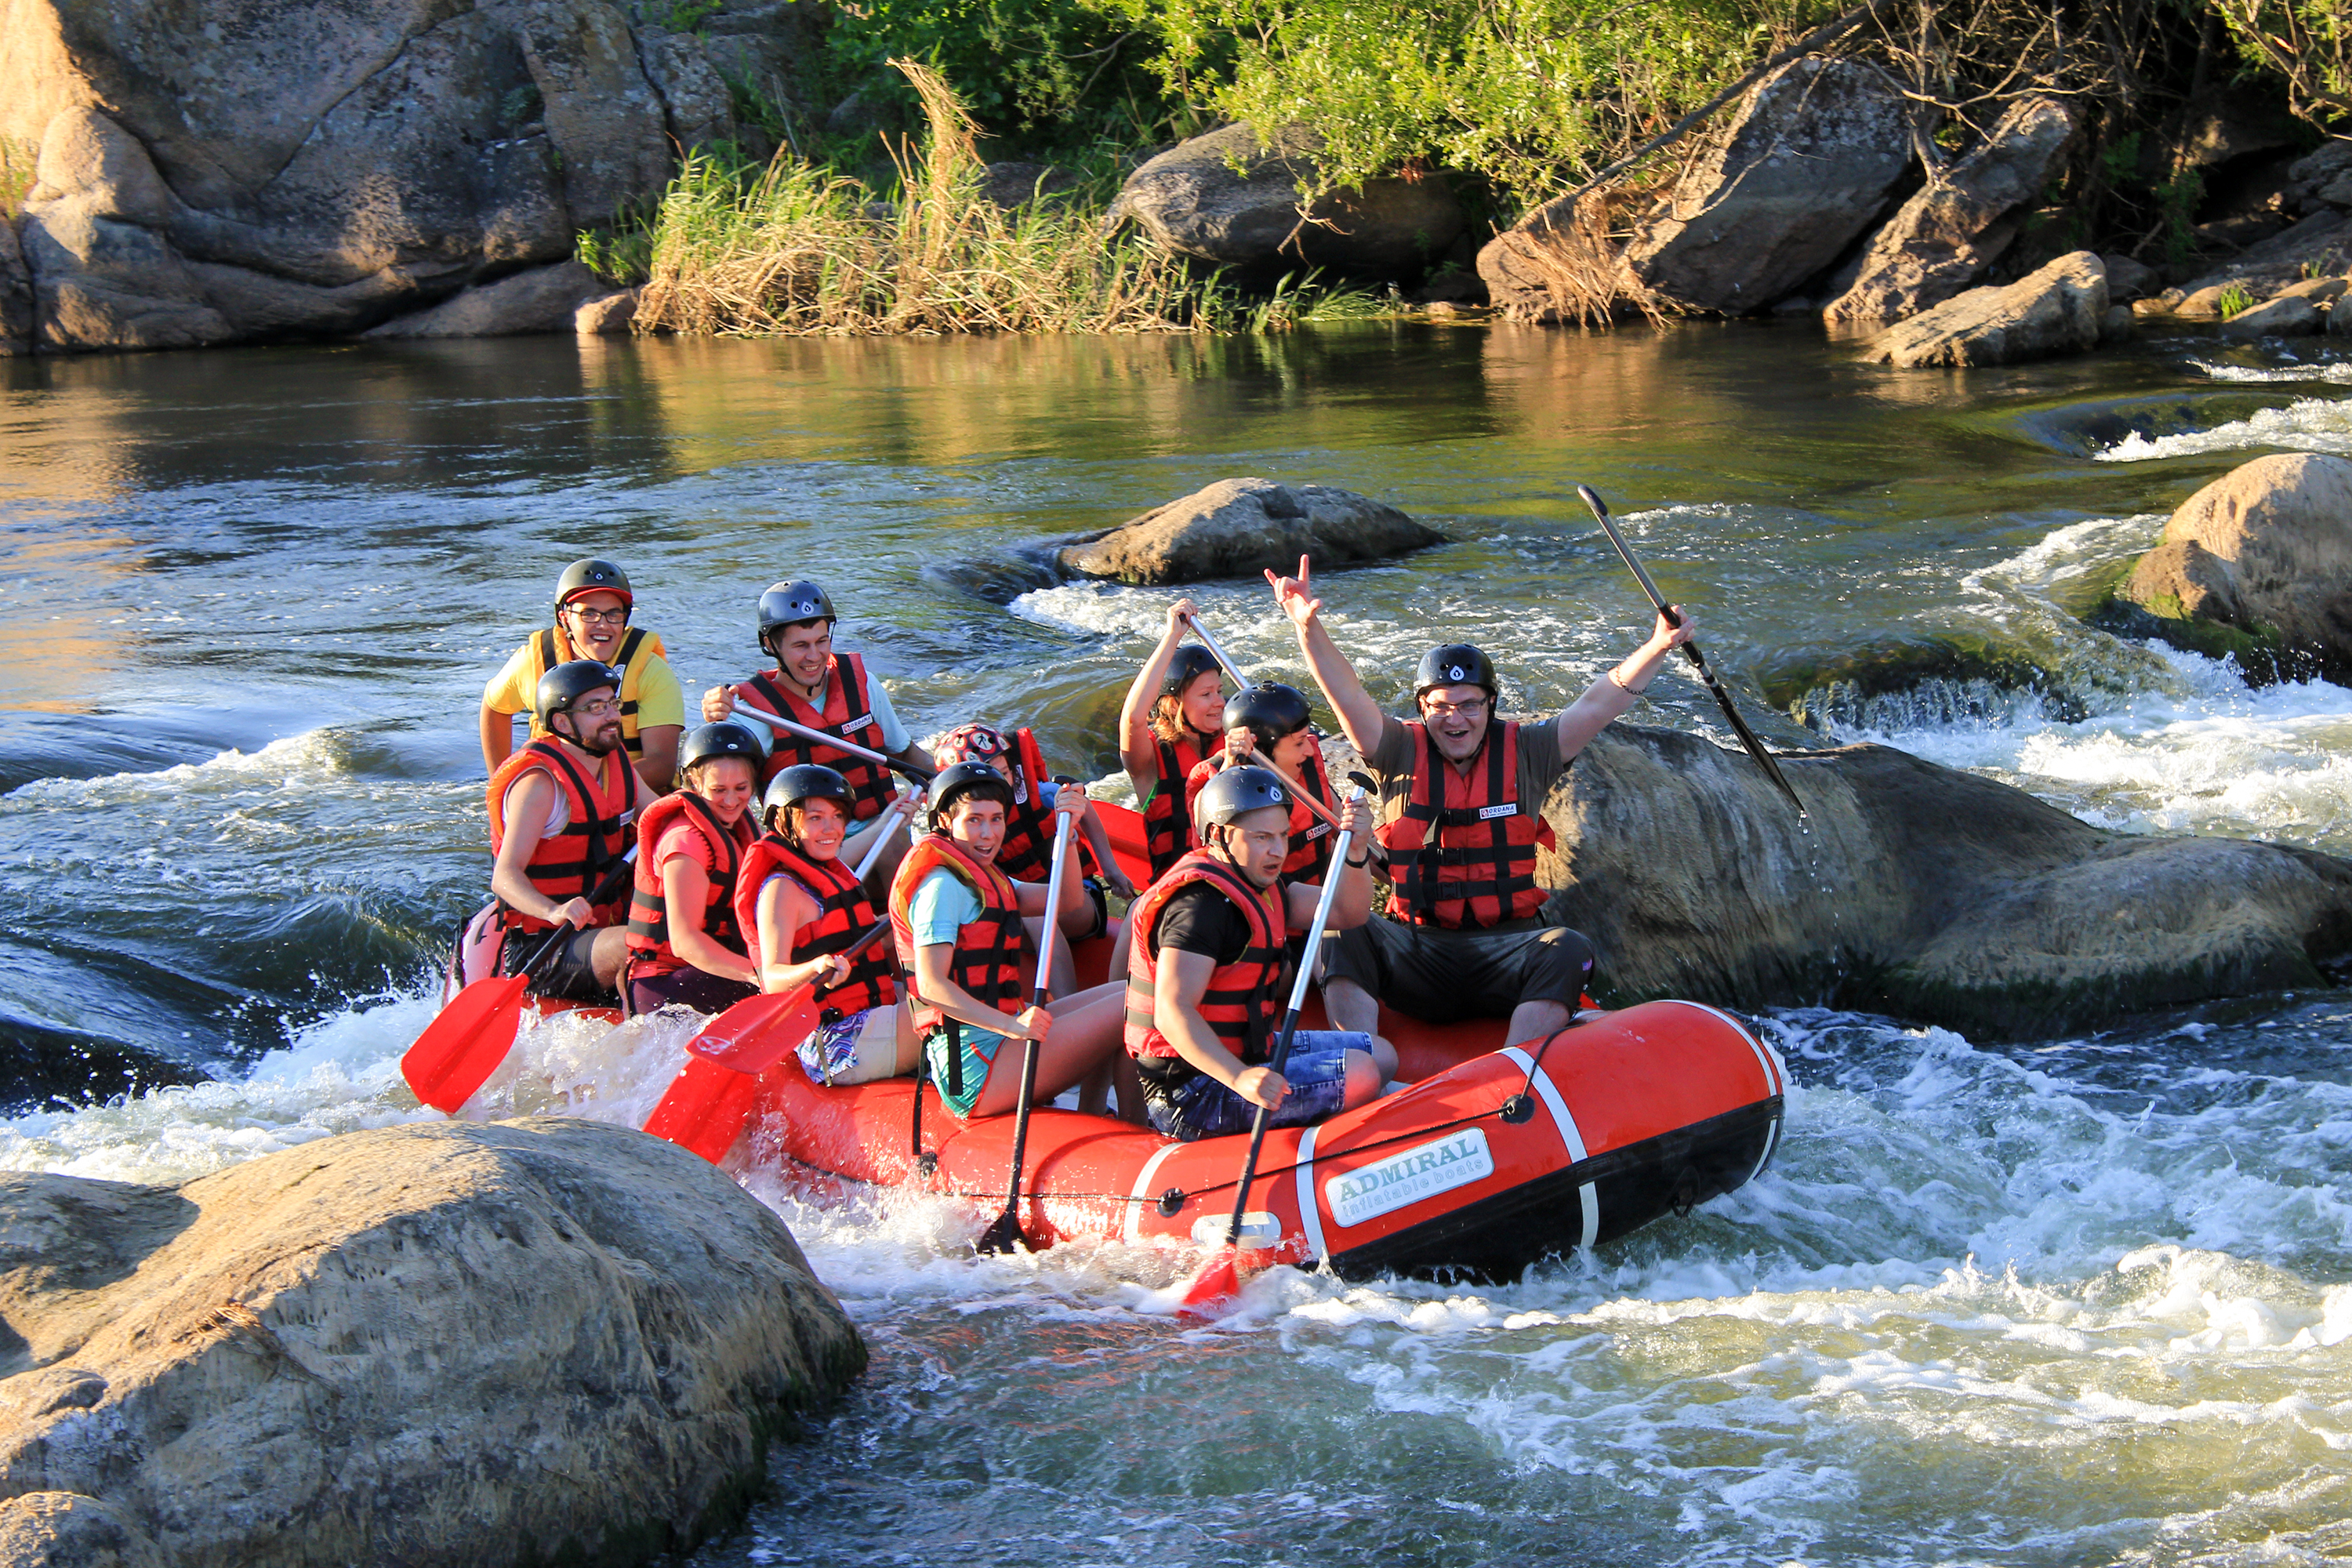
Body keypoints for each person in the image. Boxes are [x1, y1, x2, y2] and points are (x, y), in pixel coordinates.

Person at [1269, 554, 1695, 1047]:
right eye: (1440, 707)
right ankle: (1360, 1061)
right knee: (1342, 931)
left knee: (1569, 947)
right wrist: (1308, 628)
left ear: (1490, 704)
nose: (1455, 719)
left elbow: (1603, 700)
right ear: (1422, 708)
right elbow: (1343, 691)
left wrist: (1658, 645)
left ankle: (1512, 1074)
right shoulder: (1395, 748)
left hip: (1506, 953)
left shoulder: (1531, 751)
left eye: (1469, 704)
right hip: (1417, 950)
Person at [1124, 766, 1389, 1142]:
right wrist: (1239, 1077)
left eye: (1283, 835)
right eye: (1263, 837)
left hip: (1251, 1052)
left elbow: (1348, 911)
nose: (1279, 850)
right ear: (1219, 835)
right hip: (1192, 1090)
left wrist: (1358, 851)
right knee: (1362, 1072)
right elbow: (1171, 1012)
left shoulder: (1263, 887)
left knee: (1381, 1053)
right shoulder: (1200, 908)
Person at [888, 761, 1138, 1122]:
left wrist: (1067, 835)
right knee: (1133, 1009)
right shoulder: (941, 887)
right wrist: (1013, 1027)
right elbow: (930, 985)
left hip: (1002, 1039)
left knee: (1128, 995)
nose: (988, 834)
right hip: (977, 1068)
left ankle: (1094, 1111)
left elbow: (1066, 900)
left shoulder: (983, 873)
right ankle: (1137, 1128)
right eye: (974, 820)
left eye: (996, 819)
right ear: (945, 820)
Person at [736, 764, 924, 1087]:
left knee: (958, 986)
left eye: (837, 816)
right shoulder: (781, 889)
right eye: (815, 818)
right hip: (835, 1043)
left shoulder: (831, 869)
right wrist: (814, 967)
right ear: (784, 823)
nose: (831, 828)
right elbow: (773, 977)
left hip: (866, 1013)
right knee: (951, 1013)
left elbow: (864, 934)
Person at [485, 659, 648, 1003]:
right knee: (635, 943)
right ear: (562, 722)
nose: (613, 716)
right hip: (544, 947)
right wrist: (553, 911)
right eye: (596, 708)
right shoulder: (539, 785)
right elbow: (504, 876)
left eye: (613, 704)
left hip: (598, 929)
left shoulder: (614, 761)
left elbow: (661, 818)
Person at [701, 579, 930, 815]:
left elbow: (905, 754)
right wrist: (715, 729)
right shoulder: (750, 715)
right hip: (807, 846)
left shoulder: (865, 685)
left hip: (881, 831)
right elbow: (723, 792)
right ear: (770, 645)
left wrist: (953, 781)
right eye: (800, 645)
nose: (814, 656)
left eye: (822, 642)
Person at [481, 558, 684, 794]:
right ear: (565, 618)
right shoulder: (532, 661)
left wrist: (588, 791)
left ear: (625, 618)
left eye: (613, 615)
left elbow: (661, 765)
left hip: (631, 794)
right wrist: (502, 785)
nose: (603, 625)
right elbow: (494, 708)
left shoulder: (651, 671)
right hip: (555, 798)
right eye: (588, 614)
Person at [932, 723, 1135, 943]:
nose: (997, 784)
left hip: (1075, 902)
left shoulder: (1040, 794)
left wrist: (1110, 868)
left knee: (1033, 917)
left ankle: (1059, 978)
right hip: (1015, 911)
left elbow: (1082, 807)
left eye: (1003, 773)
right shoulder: (952, 831)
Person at [621, 721, 768, 1016]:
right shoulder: (685, 844)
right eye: (718, 789)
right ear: (692, 784)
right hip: (665, 983)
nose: (731, 800)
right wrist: (760, 976)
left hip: (709, 969)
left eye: (741, 788)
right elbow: (685, 942)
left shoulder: (737, 829)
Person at [1181, 681, 1341, 887]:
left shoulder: (1307, 775)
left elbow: (1355, 839)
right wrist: (1231, 766)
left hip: (1320, 904)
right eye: (1299, 743)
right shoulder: (1213, 794)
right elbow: (1213, 821)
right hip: (1265, 910)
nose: (1310, 751)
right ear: (1260, 751)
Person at [1119, 598, 1229, 879]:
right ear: (1173, 703)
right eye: (1206, 695)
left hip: (1234, 880)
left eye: (1219, 690)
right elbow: (1133, 717)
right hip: (1180, 887)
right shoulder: (1150, 760)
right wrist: (1172, 637)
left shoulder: (1234, 740)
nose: (1219, 702)